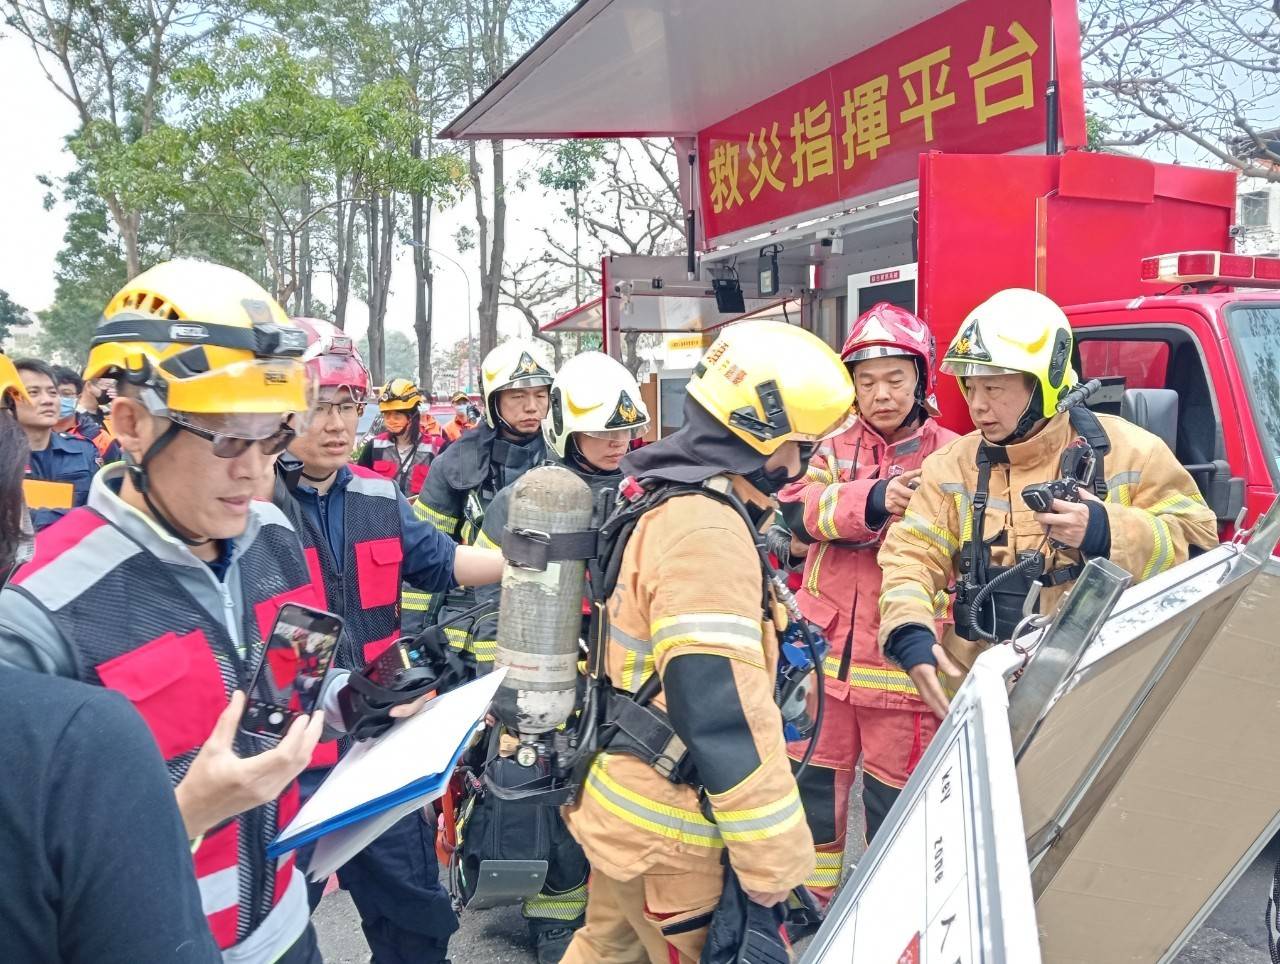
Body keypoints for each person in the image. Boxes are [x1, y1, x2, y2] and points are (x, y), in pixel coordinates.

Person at [0, 259, 403, 962]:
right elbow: (25, 883)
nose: (254, 471)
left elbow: (289, 690)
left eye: (274, 436)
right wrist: (187, 815)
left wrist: (361, 701)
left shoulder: (274, 536)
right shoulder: (41, 609)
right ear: (129, 422)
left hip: (288, 926)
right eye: (226, 440)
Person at [560, 320, 855, 964]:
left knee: (603, 951)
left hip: (627, 813)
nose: (801, 461)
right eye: (800, 442)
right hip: (675, 839)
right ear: (761, 433)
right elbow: (721, 709)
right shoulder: (706, 532)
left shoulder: (673, 495)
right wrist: (775, 864)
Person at [273, 317, 502, 964]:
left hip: (380, 746)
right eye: (319, 405)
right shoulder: (251, 506)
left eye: (349, 405)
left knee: (418, 926)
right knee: (275, 932)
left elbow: (443, 561)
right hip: (287, 753)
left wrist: (529, 559)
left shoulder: (379, 495)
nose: (338, 423)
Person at [878, 288, 1219, 718]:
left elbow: (1203, 551)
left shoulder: (1132, 452)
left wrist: (1105, 529)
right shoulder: (951, 466)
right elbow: (910, 556)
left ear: (1044, 384)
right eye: (970, 386)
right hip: (978, 694)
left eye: (995, 388)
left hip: (1094, 691)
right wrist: (908, 628)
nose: (978, 405)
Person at [463, 352, 651, 963]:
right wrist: (498, 683)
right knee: (553, 801)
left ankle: (623, 922)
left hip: (626, 679)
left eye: (625, 430)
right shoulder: (530, 499)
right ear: (566, 430)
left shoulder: (646, 491)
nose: (617, 443)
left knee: (626, 800)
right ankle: (555, 926)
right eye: (602, 431)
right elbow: (485, 590)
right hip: (552, 672)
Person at [776, 304, 958, 901]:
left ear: (921, 378)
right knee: (811, 797)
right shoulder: (830, 449)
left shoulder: (955, 454)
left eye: (895, 378)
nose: (881, 393)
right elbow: (801, 512)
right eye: (867, 379)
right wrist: (874, 499)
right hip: (822, 665)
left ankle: (888, 919)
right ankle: (807, 914)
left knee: (898, 807)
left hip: (902, 664)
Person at [404, 341, 555, 650]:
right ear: (492, 401)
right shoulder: (455, 464)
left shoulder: (566, 455)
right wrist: (415, 646)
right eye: (517, 396)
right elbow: (424, 563)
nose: (532, 407)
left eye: (541, 395)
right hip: (470, 638)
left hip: (551, 622)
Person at [14, 358, 100, 530]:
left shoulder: (84, 451)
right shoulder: (4, 457)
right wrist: (75, 519)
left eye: (53, 393)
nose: (48, 400)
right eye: (33, 392)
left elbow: (102, 514)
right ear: (9, 401)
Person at [357, 377, 444, 498]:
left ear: (412, 416)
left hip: (420, 516)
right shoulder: (374, 447)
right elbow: (359, 486)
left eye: (397, 416)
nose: (391, 421)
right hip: (383, 515)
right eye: (387, 416)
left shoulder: (438, 448)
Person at [53, 365, 122, 463]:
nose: (57, 399)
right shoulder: (32, 431)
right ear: (89, 385)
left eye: (66, 394)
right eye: (107, 385)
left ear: (77, 397)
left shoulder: (97, 434)